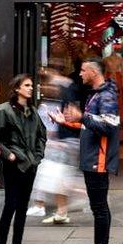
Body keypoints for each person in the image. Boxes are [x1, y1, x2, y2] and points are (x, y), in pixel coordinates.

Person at [53, 58, 120, 244]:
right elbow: (90, 124)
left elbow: (109, 127)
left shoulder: (106, 95)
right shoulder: (97, 94)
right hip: (92, 159)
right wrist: (67, 122)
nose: (80, 74)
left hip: (97, 161)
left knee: (100, 209)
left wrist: (82, 116)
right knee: (98, 208)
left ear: (92, 71)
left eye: (82, 70)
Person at [0, 74, 46, 244]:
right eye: (27, 85)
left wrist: (38, 156)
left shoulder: (32, 111)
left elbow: (41, 134)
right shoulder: (3, 111)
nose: (31, 88)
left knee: (22, 206)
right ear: (17, 89)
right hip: (14, 165)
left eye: (31, 85)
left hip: (30, 165)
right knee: (10, 205)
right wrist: (9, 155)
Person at [33, 65, 84, 225]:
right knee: (58, 177)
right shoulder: (51, 101)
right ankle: (61, 209)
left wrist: (57, 140)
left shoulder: (66, 94)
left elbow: (70, 119)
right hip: (61, 143)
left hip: (65, 143)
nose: (47, 87)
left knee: (59, 177)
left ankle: (69, 204)